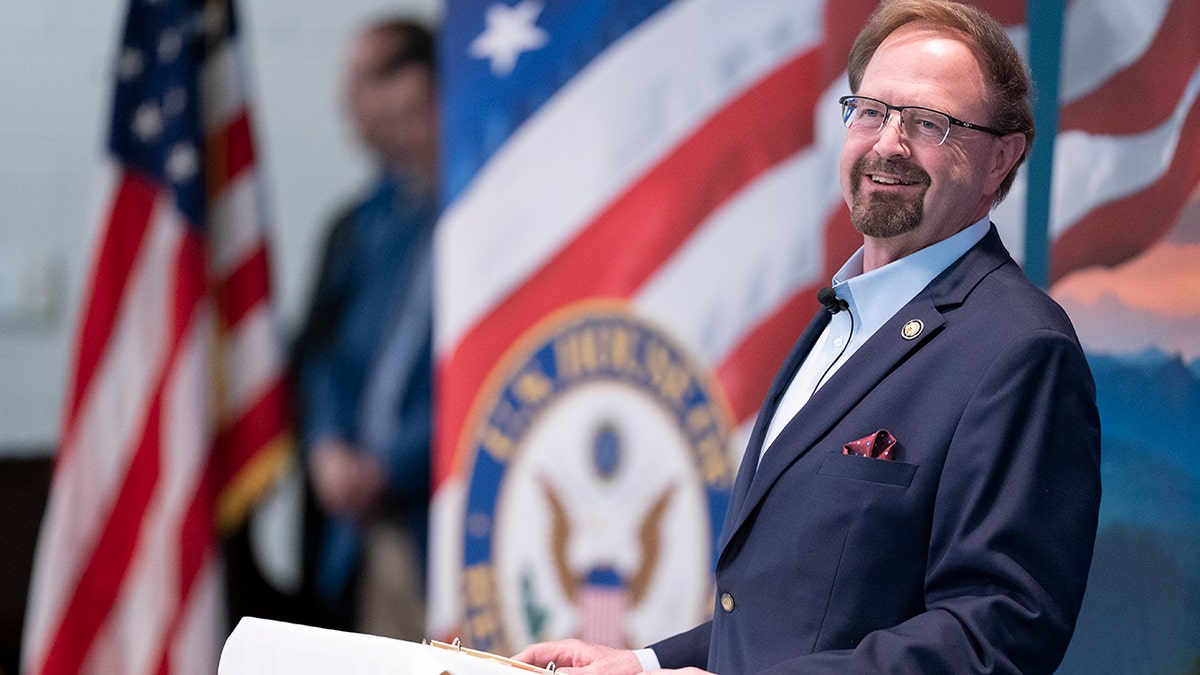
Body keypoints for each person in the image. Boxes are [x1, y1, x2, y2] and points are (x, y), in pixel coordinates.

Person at [514, 1, 1101, 672]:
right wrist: (643, 663)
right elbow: (789, 612)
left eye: (927, 122)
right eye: (871, 110)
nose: (887, 143)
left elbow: (993, 639)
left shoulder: (1020, 351)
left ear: (1002, 158)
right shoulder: (840, 318)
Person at [290, 18, 438, 641]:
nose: (386, 130)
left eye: (408, 113)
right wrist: (324, 444)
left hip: (433, 513)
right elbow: (316, 354)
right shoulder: (359, 227)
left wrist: (392, 464)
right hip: (349, 529)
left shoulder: (484, 229)